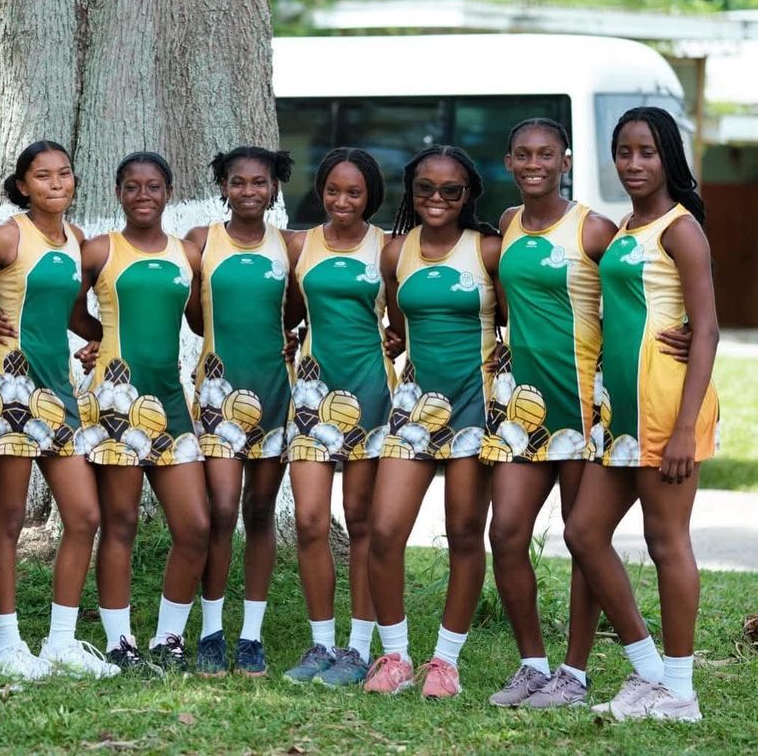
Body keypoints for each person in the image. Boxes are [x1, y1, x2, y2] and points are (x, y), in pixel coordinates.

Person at [481, 118, 691, 708]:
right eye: (523, 154)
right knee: (506, 532)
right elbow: (504, 303)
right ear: (509, 161)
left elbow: (641, 288)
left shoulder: (596, 229)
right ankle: (532, 665)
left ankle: (573, 674)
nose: (534, 164)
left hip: (584, 404)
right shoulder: (507, 223)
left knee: (583, 539)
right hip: (521, 406)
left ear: (565, 161)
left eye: (546, 154)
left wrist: (691, 326)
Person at [564, 106, 718, 723]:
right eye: (624, 152)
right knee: (583, 533)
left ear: (668, 158)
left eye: (646, 152)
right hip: (619, 410)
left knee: (665, 542)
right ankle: (651, 672)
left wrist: (684, 429)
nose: (633, 163)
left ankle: (680, 692)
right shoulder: (630, 224)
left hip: (665, 407)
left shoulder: (681, 229)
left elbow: (706, 329)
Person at [0, 141, 117, 680]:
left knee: (84, 516)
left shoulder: (76, 239)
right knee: (9, 519)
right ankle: (8, 646)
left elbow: (74, 314)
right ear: (22, 185)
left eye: (64, 174)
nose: (56, 184)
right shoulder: (6, 236)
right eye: (42, 176)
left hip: (60, 392)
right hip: (10, 389)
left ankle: (60, 644)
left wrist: (107, 340)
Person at [362, 146, 501, 697]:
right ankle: (395, 656)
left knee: (465, 533)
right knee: (384, 531)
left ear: (468, 196)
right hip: (414, 406)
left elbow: (513, 318)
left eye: (450, 190)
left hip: (475, 407)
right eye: (425, 188)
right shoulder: (397, 252)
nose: (437, 198)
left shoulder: (487, 250)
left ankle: (445, 662)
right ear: (411, 192)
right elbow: (398, 324)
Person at [75, 152, 210, 673]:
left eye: (153, 186)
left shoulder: (187, 254)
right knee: (122, 523)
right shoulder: (100, 250)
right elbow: (69, 307)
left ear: (168, 192)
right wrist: (100, 338)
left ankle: (168, 639)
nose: (143, 195)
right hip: (114, 401)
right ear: (118, 193)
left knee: (195, 527)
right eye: (132, 186)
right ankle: (120, 641)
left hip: (170, 403)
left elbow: (200, 322)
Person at [282, 147, 396, 686]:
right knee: (309, 522)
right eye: (333, 190)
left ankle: (358, 648)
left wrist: (397, 340)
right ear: (320, 191)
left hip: (372, 393)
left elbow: (402, 320)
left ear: (370, 195)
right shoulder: (300, 245)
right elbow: (287, 312)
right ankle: (321, 644)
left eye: (354, 192)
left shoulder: (388, 248)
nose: (342, 201)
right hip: (311, 395)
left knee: (362, 522)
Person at [184, 146, 295, 677]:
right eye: (238, 182)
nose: (249, 191)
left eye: (259, 182)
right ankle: (211, 630)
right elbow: (192, 315)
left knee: (260, 512)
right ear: (223, 187)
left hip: (275, 393)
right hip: (218, 394)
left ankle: (250, 635)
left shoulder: (290, 246)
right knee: (222, 509)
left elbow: (296, 313)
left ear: (274, 188)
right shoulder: (202, 242)